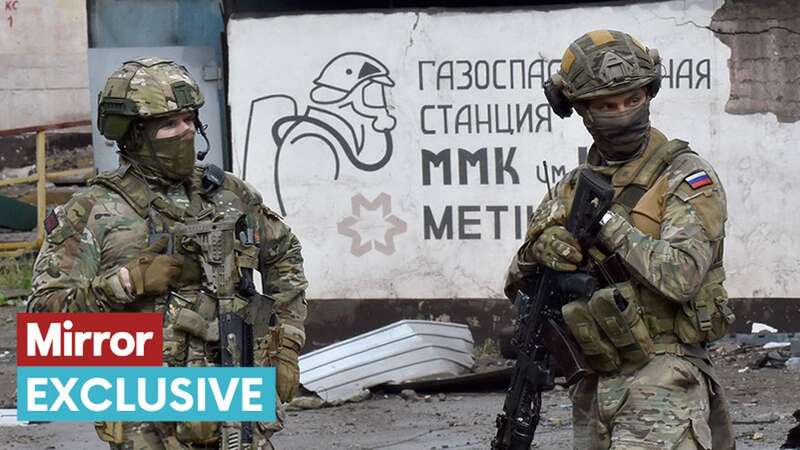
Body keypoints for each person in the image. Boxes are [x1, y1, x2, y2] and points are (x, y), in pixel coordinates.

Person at [27, 57, 308, 449]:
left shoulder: (228, 195)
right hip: (146, 409)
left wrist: (286, 343)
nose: (186, 132)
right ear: (134, 134)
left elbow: (283, 255)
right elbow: (44, 319)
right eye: (169, 124)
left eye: (190, 120)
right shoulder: (94, 211)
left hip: (233, 396)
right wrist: (125, 283)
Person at [505, 30, 736, 449]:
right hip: (594, 386)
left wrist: (607, 221)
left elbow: (681, 276)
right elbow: (518, 284)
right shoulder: (572, 187)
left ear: (650, 94)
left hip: (664, 379)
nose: (623, 112)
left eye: (633, 99)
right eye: (607, 106)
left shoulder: (686, 177)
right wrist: (540, 249)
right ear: (579, 110)